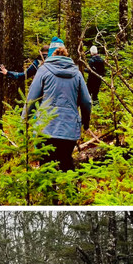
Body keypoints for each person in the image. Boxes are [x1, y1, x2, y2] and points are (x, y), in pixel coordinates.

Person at [22, 42, 92, 172]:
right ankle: (70, 191)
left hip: (46, 127)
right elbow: (87, 101)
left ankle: (49, 191)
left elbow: (31, 99)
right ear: (66, 55)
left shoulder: (44, 70)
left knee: (46, 166)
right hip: (69, 128)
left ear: (51, 55)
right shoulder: (76, 73)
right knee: (66, 161)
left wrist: (24, 122)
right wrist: (85, 123)